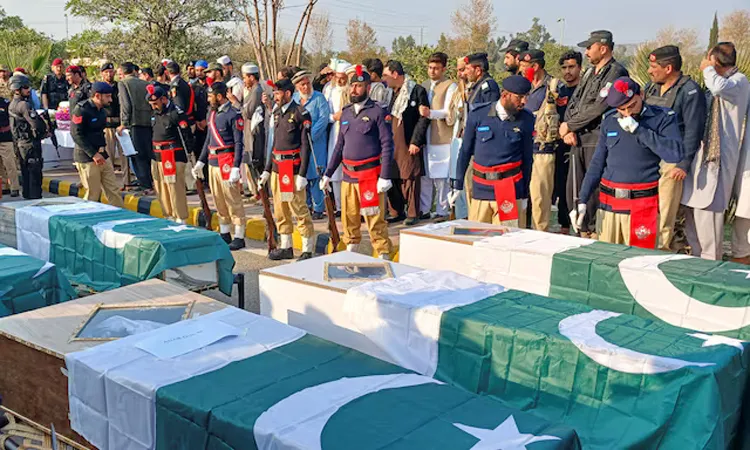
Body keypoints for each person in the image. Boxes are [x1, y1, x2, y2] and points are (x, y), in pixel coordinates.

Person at [574, 77, 683, 248]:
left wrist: (640, 130)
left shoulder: (662, 118)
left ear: (641, 94)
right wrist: (582, 199)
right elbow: (597, 163)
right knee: (606, 263)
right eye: (621, 109)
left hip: (642, 205)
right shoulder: (610, 120)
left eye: (632, 106)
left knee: (639, 263)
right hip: (609, 206)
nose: (627, 113)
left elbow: (674, 154)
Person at [683, 42, 750, 261]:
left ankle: (710, 269)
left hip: (719, 160)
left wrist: (707, 68)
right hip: (700, 157)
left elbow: (718, 87)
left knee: (709, 224)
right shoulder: (719, 81)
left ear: (714, 60)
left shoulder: (739, 82)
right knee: (693, 219)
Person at [320, 65, 394, 258]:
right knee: (349, 219)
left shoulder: (378, 111)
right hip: (349, 177)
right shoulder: (345, 113)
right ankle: (351, 255)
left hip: (370, 176)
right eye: (352, 86)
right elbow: (339, 147)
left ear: (367, 88)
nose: (354, 90)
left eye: (359, 86)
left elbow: (387, 145)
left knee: (375, 220)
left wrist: (385, 176)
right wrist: (328, 173)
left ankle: (384, 256)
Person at [560, 30, 628, 237]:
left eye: (590, 47)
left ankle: (591, 231)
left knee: (593, 189)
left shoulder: (616, 72)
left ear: (603, 48)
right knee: (575, 188)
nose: (587, 51)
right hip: (578, 137)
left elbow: (600, 107)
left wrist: (571, 125)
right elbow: (575, 102)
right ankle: (580, 228)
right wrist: (567, 126)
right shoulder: (590, 72)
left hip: (597, 137)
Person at [644, 45, 707, 252]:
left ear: (668, 68)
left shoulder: (689, 91)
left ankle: (662, 248)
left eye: (654, 67)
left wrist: (683, 164)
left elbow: (693, 131)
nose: (649, 71)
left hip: (672, 161)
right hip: (648, 157)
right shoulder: (651, 88)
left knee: (666, 210)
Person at [451, 75, 533, 227]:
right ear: (505, 95)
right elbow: (465, 151)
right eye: (519, 97)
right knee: (478, 237)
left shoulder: (526, 119)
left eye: (526, 97)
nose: (524, 102)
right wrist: (458, 184)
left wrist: (524, 194)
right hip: (482, 188)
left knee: (506, 240)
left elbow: (527, 159)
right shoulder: (479, 115)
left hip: (509, 188)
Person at [257, 78, 316, 260]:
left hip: (293, 168)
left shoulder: (300, 113)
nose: (275, 96)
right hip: (277, 168)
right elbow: (274, 143)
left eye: (278, 93)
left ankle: (307, 248)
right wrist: (267, 169)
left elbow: (306, 145)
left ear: (288, 93)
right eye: (274, 93)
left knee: (298, 208)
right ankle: (286, 245)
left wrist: (303, 174)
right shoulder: (276, 113)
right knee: (281, 209)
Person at [192, 81, 247, 251]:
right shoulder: (212, 114)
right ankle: (225, 232)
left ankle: (239, 235)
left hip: (227, 161)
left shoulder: (233, 114)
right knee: (218, 199)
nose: (208, 99)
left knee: (233, 200)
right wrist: (201, 161)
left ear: (219, 96)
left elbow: (238, 142)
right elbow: (209, 138)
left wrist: (236, 167)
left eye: (210, 96)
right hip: (213, 161)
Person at [383, 60, 430, 225]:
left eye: (386, 75)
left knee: (409, 175)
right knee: (393, 173)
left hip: (408, 140)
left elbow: (423, 119)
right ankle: (396, 211)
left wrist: (416, 141)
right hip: (393, 140)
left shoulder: (417, 91)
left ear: (395, 74)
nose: (385, 79)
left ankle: (412, 212)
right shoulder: (393, 93)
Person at [520, 49, 560, 232]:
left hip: (542, 150)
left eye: (524, 66)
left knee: (539, 199)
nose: (521, 70)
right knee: (521, 198)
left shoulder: (553, 87)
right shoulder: (522, 87)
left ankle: (539, 234)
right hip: (522, 149)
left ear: (535, 66)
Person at [70, 82, 125, 207]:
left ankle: (120, 217)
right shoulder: (81, 109)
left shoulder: (102, 111)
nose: (110, 100)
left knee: (113, 191)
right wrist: (93, 154)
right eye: (108, 96)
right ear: (98, 96)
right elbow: (76, 134)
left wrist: (100, 153)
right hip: (87, 157)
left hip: (103, 155)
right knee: (93, 194)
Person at [147, 84, 194, 223]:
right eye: (151, 104)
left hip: (173, 155)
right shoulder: (154, 113)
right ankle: (168, 215)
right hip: (157, 156)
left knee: (175, 189)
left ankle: (180, 218)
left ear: (163, 99)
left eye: (155, 103)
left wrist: (187, 155)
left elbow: (187, 135)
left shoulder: (176, 113)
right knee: (161, 188)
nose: (153, 106)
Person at [418, 52, 457, 221]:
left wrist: (430, 113)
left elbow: (449, 112)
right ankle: (424, 209)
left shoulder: (450, 86)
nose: (432, 71)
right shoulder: (424, 85)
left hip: (441, 136)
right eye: (430, 67)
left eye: (436, 68)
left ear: (443, 69)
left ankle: (442, 210)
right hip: (424, 136)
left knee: (441, 176)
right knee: (426, 175)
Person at [292, 69, 330, 220]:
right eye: (302, 85)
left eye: (308, 84)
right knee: (303, 174)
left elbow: (323, 118)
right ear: (297, 87)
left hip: (316, 143)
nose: (306, 87)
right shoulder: (294, 100)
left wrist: (309, 135)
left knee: (316, 174)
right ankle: (306, 204)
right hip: (299, 145)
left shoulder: (319, 98)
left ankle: (319, 208)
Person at [553, 51, 583, 234]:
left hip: (580, 144)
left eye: (571, 67)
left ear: (580, 67)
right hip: (561, 145)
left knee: (579, 187)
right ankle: (564, 227)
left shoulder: (585, 91)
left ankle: (583, 228)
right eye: (564, 67)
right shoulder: (559, 92)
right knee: (562, 186)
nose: (567, 71)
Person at [118, 62, 154, 192]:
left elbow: (125, 105)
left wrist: (124, 123)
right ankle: (150, 181)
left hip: (134, 123)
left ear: (122, 72)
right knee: (148, 153)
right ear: (134, 70)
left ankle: (145, 184)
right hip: (147, 122)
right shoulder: (145, 83)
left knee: (137, 155)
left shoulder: (123, 83)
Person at [8, 74, 46, 199]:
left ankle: (28, 199)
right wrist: (44, 130)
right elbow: (36, 124)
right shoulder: (23, 105)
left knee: (26, 174)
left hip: (20, 144)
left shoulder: (12, 104)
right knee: (34, 176)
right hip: (30, 144)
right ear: (17, 89)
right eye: (25, 87)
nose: (28, 90)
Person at [325, 60, 352, 212]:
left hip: (350, 131)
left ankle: (350, 206)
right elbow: (326, 113)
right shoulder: (330, 91)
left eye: (343, 77)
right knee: (335, 170)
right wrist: (334, 117)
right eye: (338, 77)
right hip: (335, 131)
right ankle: (340, 206)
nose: (340, 80)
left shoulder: (351, 91)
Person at [447, 56, 471, 219]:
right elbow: (449, 118)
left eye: (463, 69)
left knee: (467, 182)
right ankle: (458, 216)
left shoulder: (476, 90)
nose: (460, 73)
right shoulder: (457, 91)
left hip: (470, 142)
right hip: (456, 139)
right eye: (458, 70)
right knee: (456, 181)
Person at [238, 62, 265, 200]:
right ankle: (257, 193)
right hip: (249, 133)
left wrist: (235, 103)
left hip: (255, 133)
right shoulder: (252, 91)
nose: (244, 81)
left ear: (252, 77)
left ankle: (262, 195)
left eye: (245, 77)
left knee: (256, 163)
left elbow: (248, 113)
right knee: (250, 164)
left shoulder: (257, 91)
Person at [100, 63, 123, 170]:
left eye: (111, 71)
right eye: (106, 72)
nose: (109, 74)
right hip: (107, 123)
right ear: (102, 74)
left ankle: (126, 183)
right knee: (109, 154)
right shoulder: (99, 87)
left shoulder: (120, 86)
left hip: (120, 123)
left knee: (124, 155)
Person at [0, 94, 19, 196]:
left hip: (5, 138)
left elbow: (12, 119)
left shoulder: (5, 103)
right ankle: (4, 186)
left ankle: (14, 187)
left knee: (10, 164)